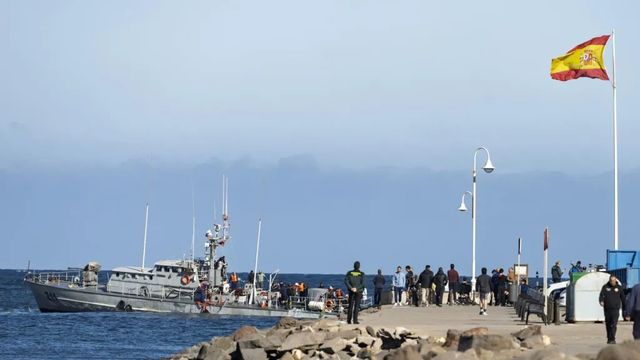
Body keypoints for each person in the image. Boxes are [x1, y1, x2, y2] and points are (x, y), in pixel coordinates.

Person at [599, 275, 626, 344]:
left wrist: (625, 308)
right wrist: (601, 301)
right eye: (611, 281)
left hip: (615, 309)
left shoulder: (619, 288)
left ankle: (612, 338)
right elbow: (601, 296)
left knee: (614, 324)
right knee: (608, 324)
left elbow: (623, 298)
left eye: (613, 281)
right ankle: (609, 337)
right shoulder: (605, 287)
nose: (612, 282)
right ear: (609, 280)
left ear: (615, 280)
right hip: (607, 309)